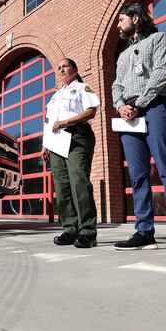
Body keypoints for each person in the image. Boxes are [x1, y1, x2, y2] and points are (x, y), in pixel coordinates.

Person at [111, 3, 166, 255]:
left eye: (121, 19)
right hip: (129, 117)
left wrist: (140, 103)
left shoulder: (160, 40)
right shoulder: (123, 55)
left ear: (136, 18)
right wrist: (121, 105)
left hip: (156, 108)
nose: (118, 25)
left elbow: (161, 74)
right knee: (137, 175)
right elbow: (116, 85)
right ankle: (144, 232)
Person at [43, 58, 100, 248]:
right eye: (58, 68)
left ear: (74, 69)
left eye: (64, 66)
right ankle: (70, 229)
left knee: (79, 181)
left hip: (77, 135)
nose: (60, 69)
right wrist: (45, 145)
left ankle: (87, 232)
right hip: (56, 141)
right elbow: (49, 121)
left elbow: (91, 111)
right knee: (62, 186)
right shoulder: (55, 96)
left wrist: (66, 122)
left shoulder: (83, 88)